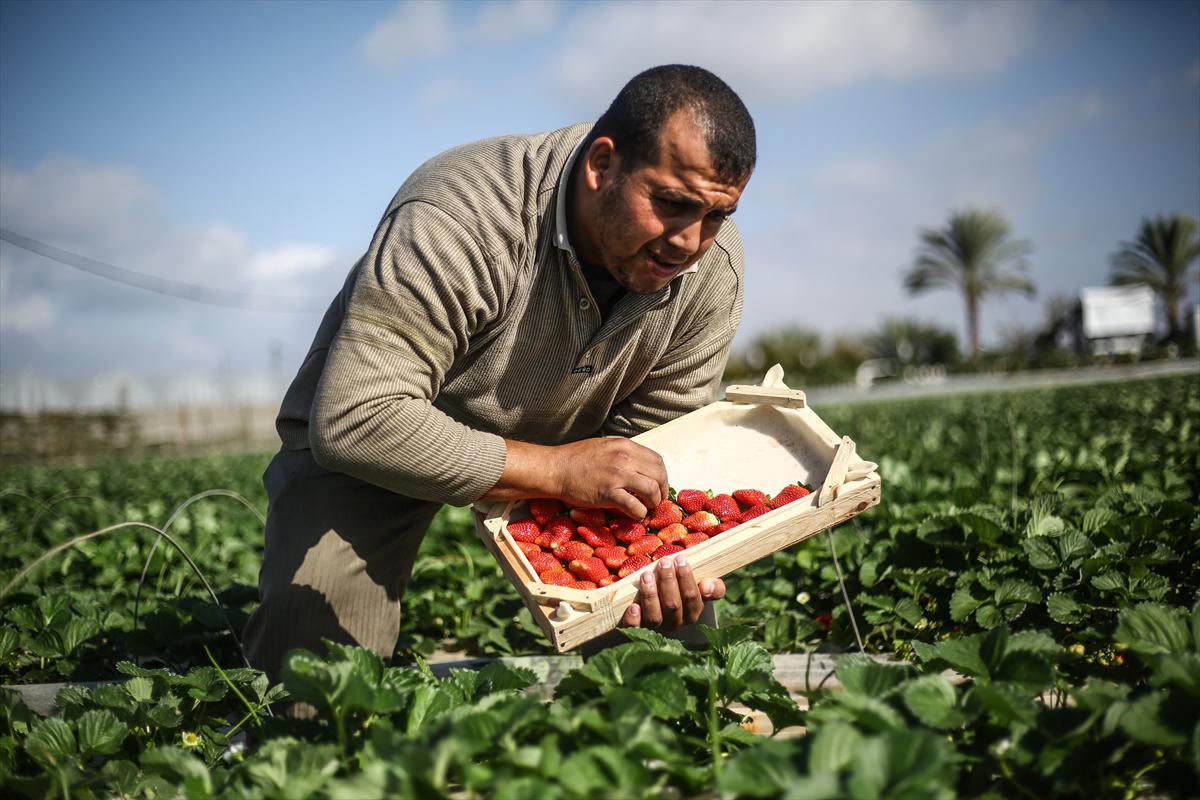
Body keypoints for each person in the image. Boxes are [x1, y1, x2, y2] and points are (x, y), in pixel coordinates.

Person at [243, 64, 756, 682]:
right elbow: (356, 419)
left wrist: (663, 553)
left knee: (669, 647)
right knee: (316, 670)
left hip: (585, 452)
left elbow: (654, 446)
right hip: (387, 438)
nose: (690, 241)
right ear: (601, 165)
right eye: (672, 205)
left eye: (717, 215)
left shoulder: (711, 272)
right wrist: (555, 470)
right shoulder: (461, 216)